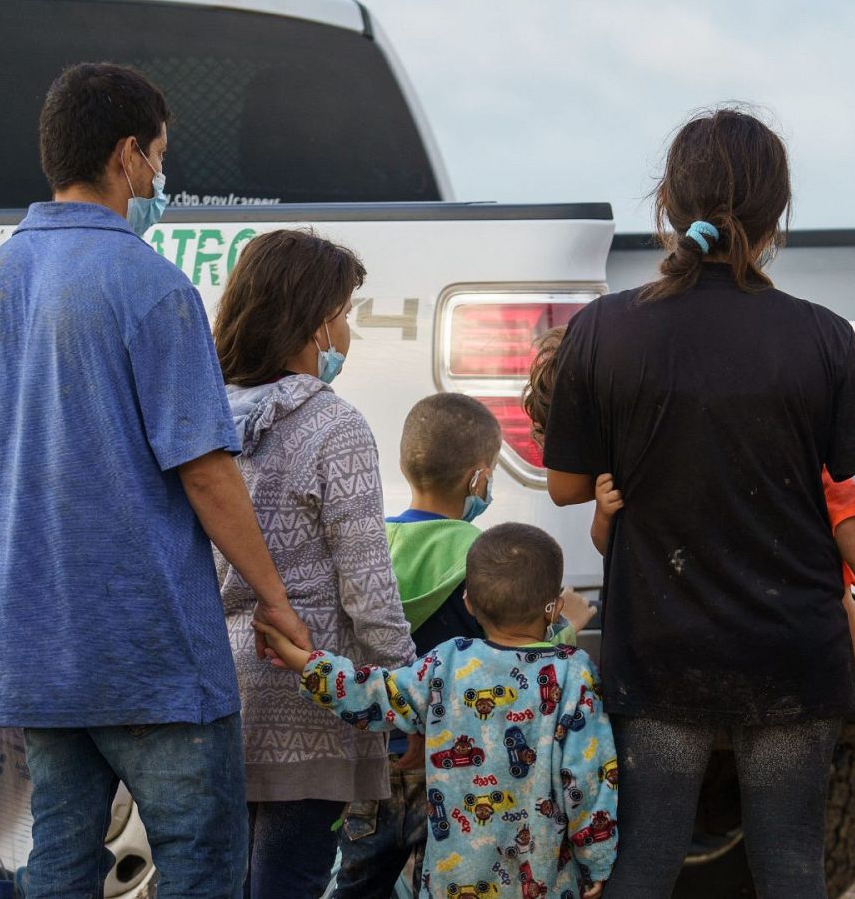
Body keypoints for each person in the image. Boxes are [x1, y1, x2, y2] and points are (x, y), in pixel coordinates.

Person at [0, 62, 308, 896]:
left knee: (58, 862)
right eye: (161, 156)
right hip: (149, 657)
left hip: (29, 654)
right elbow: (207, 474)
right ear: (129, 156)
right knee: (201, 864)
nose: (160, 178)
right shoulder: (151, 285)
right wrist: (274, 601)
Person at [540, 107, 855, 897]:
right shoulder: (821, 335)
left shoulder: (603, 331)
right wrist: (843, 540)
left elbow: (568, 485)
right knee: (789, 863)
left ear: (667, 206)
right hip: (791, 648)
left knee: (643, 857)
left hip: (660, 647)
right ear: (776, 217)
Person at [524, 326, 855, 756]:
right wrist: (604, 514)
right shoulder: (630, 449)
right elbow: (610, 548)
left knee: (848, 568)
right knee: (842, 614)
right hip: (750, 574)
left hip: (791, 496)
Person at [208, 229, 417, 898]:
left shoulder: (200, 420)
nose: (349, 331)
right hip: (311, 699)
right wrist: (402, 700)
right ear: (315, 323)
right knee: (289, 882)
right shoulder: (335, 427)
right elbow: (369, 589)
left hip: (213, 694)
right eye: (347, 314)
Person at [259, 523, 617, 899]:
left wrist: (304, 662)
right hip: (543, 882)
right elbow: (589, 777)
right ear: (555, 608)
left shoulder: (446, 664)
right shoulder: (574, 675)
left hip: (452, 883)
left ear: (468, 602)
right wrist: (598, 858)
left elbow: (373, 693)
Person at [330, 392, 595, 897]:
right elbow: (510, 653)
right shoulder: (481, 560)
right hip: (450, 771)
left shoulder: (374, 547)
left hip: (371, 762)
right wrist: (566, 627)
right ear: (478, 477)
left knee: (358, 882)